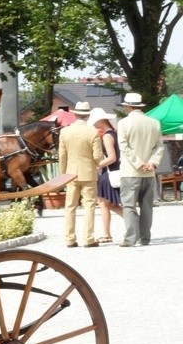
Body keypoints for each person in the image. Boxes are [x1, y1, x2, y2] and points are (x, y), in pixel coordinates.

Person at [116, 92, 164, 247]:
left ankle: (131, 238)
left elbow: (124, 147)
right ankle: (145, 237)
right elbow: (159, 146)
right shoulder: (154, 123)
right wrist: (152, 162)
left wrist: (138, 163)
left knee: (129, 205)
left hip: (130, 171)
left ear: (128, 106)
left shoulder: (123, 123)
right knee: (147, 206)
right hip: (149, 172)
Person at [58, 101, 103, 248]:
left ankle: (70, 239)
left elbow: (62, 156)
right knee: (89, 205)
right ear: (88, 115)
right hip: (89, 173)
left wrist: (62, 174)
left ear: (75, 114)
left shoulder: (64, 132)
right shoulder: (93, 131)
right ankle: (88, 238)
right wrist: (97, 165)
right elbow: (97, 156)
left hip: (70, 173)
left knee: (70, 206)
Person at [88, 107, 122, 243]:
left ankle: (107, 234)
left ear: (100, 121)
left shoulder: (107, 136)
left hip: (109, 173)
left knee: (103, 203)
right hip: (116, 170)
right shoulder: (115, 133)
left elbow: (112, 157)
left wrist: (97, 165)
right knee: (111, 204)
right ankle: (135, 221)